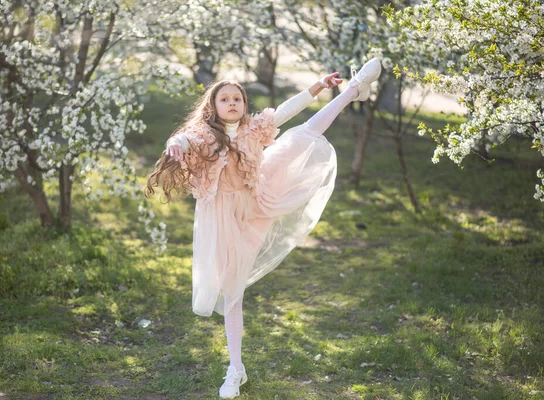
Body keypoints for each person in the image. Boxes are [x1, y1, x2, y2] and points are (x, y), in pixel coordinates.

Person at [145, 58, 382, 398]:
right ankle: (236, 369)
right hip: (222, 217)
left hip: (257, 197)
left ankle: (353, 90)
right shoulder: (201, 134)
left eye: (237, 99)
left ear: (243, 106)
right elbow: (184, 140)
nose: (231, 103)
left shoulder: (252, 128)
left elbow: (285, 112)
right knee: (231, 292)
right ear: (212, 106)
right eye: (224, 99)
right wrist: (176, 145)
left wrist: (318, 86)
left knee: (303, 135)